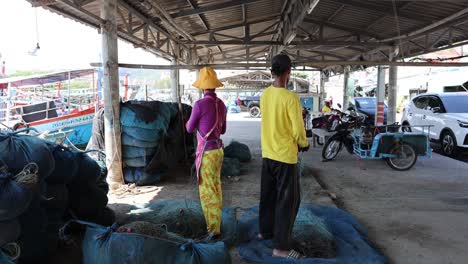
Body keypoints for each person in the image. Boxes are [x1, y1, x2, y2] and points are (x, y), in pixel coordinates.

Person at [258, 54, 310, 259]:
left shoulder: (265, 95)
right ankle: (281, 247)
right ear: (288, 73)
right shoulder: (290, 98)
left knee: (268, 196)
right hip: (285, 157)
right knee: (287, 202)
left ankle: (265, 232)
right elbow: (298, 129)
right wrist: (303, 143)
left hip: (267, 154)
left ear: (273, 72)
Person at [186, 67, 227, 237]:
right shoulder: (222, 105)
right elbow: (223, 130)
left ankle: (213, 230)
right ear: (215, 86)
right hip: (218, 151)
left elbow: (189, 128)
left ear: (203, 87)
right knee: (216, 187)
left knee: (207, 191)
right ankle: (216, 222)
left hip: (207, 154)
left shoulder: (200, 104)